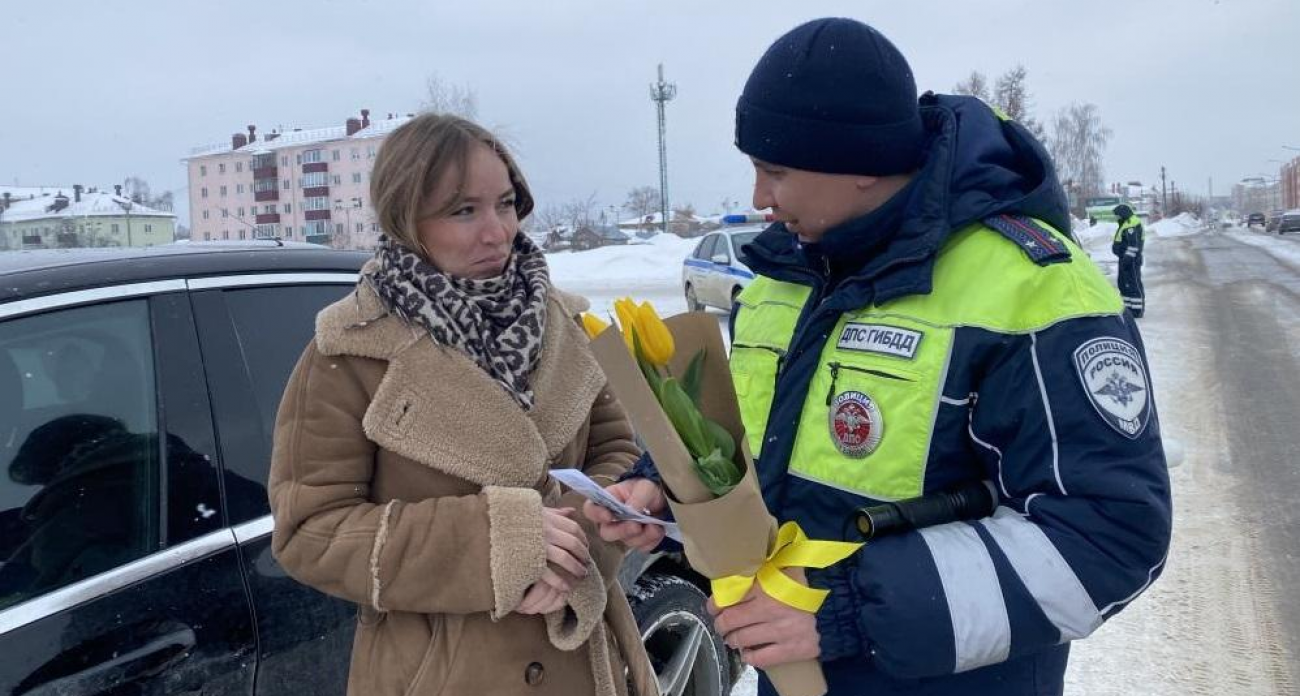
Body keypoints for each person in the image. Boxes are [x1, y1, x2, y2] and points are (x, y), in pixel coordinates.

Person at [587, 17, 1171, 696]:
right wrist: (659, 489)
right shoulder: (784, 274)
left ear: (860, 164)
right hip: (798, 677)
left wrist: (841, 613)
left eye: (775, 171)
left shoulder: (1034, 284)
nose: (759, 200)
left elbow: (1108, 534)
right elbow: (756, 441)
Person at [269, 113, 657, 696]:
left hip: (583, 654)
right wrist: (495, 544)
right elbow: (310, 531)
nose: (497, 232)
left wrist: (576, 550)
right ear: (406, 219)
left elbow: (617, 454)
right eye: (463, 211)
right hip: (439, 672)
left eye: (505, 203)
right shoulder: (349, 352)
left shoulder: (567, 326)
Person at [1112, 203, 1146, 317]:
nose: (1116, 218)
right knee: (1123, 284)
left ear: (1123, 214)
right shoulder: (1126, 223)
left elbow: (1133, 245)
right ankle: (1128, 308)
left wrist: (1127, 259)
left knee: (1133, 284)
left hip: (1131, 261)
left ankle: (1137, 310)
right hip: (1124, 259)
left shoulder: (1131, 224)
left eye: (1117, 215)